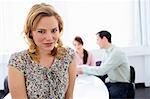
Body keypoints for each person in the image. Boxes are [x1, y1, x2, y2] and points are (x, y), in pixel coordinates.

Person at [7, 3, 76, 99]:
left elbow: (69, 97)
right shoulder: (18, 61)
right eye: (41, 31)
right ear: (31, 32)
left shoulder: (68, 55)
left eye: (54, 30)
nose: (49, 38)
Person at [78, 30, 130, 98]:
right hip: (112, 82)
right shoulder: (106, 52)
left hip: (121, 85)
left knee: (103, 95)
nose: (97, 42)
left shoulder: (116, 52)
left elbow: (101, 71)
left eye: (98, 40)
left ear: (104, 39)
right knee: (95, 92)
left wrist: (82, 68)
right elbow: (101, 69)